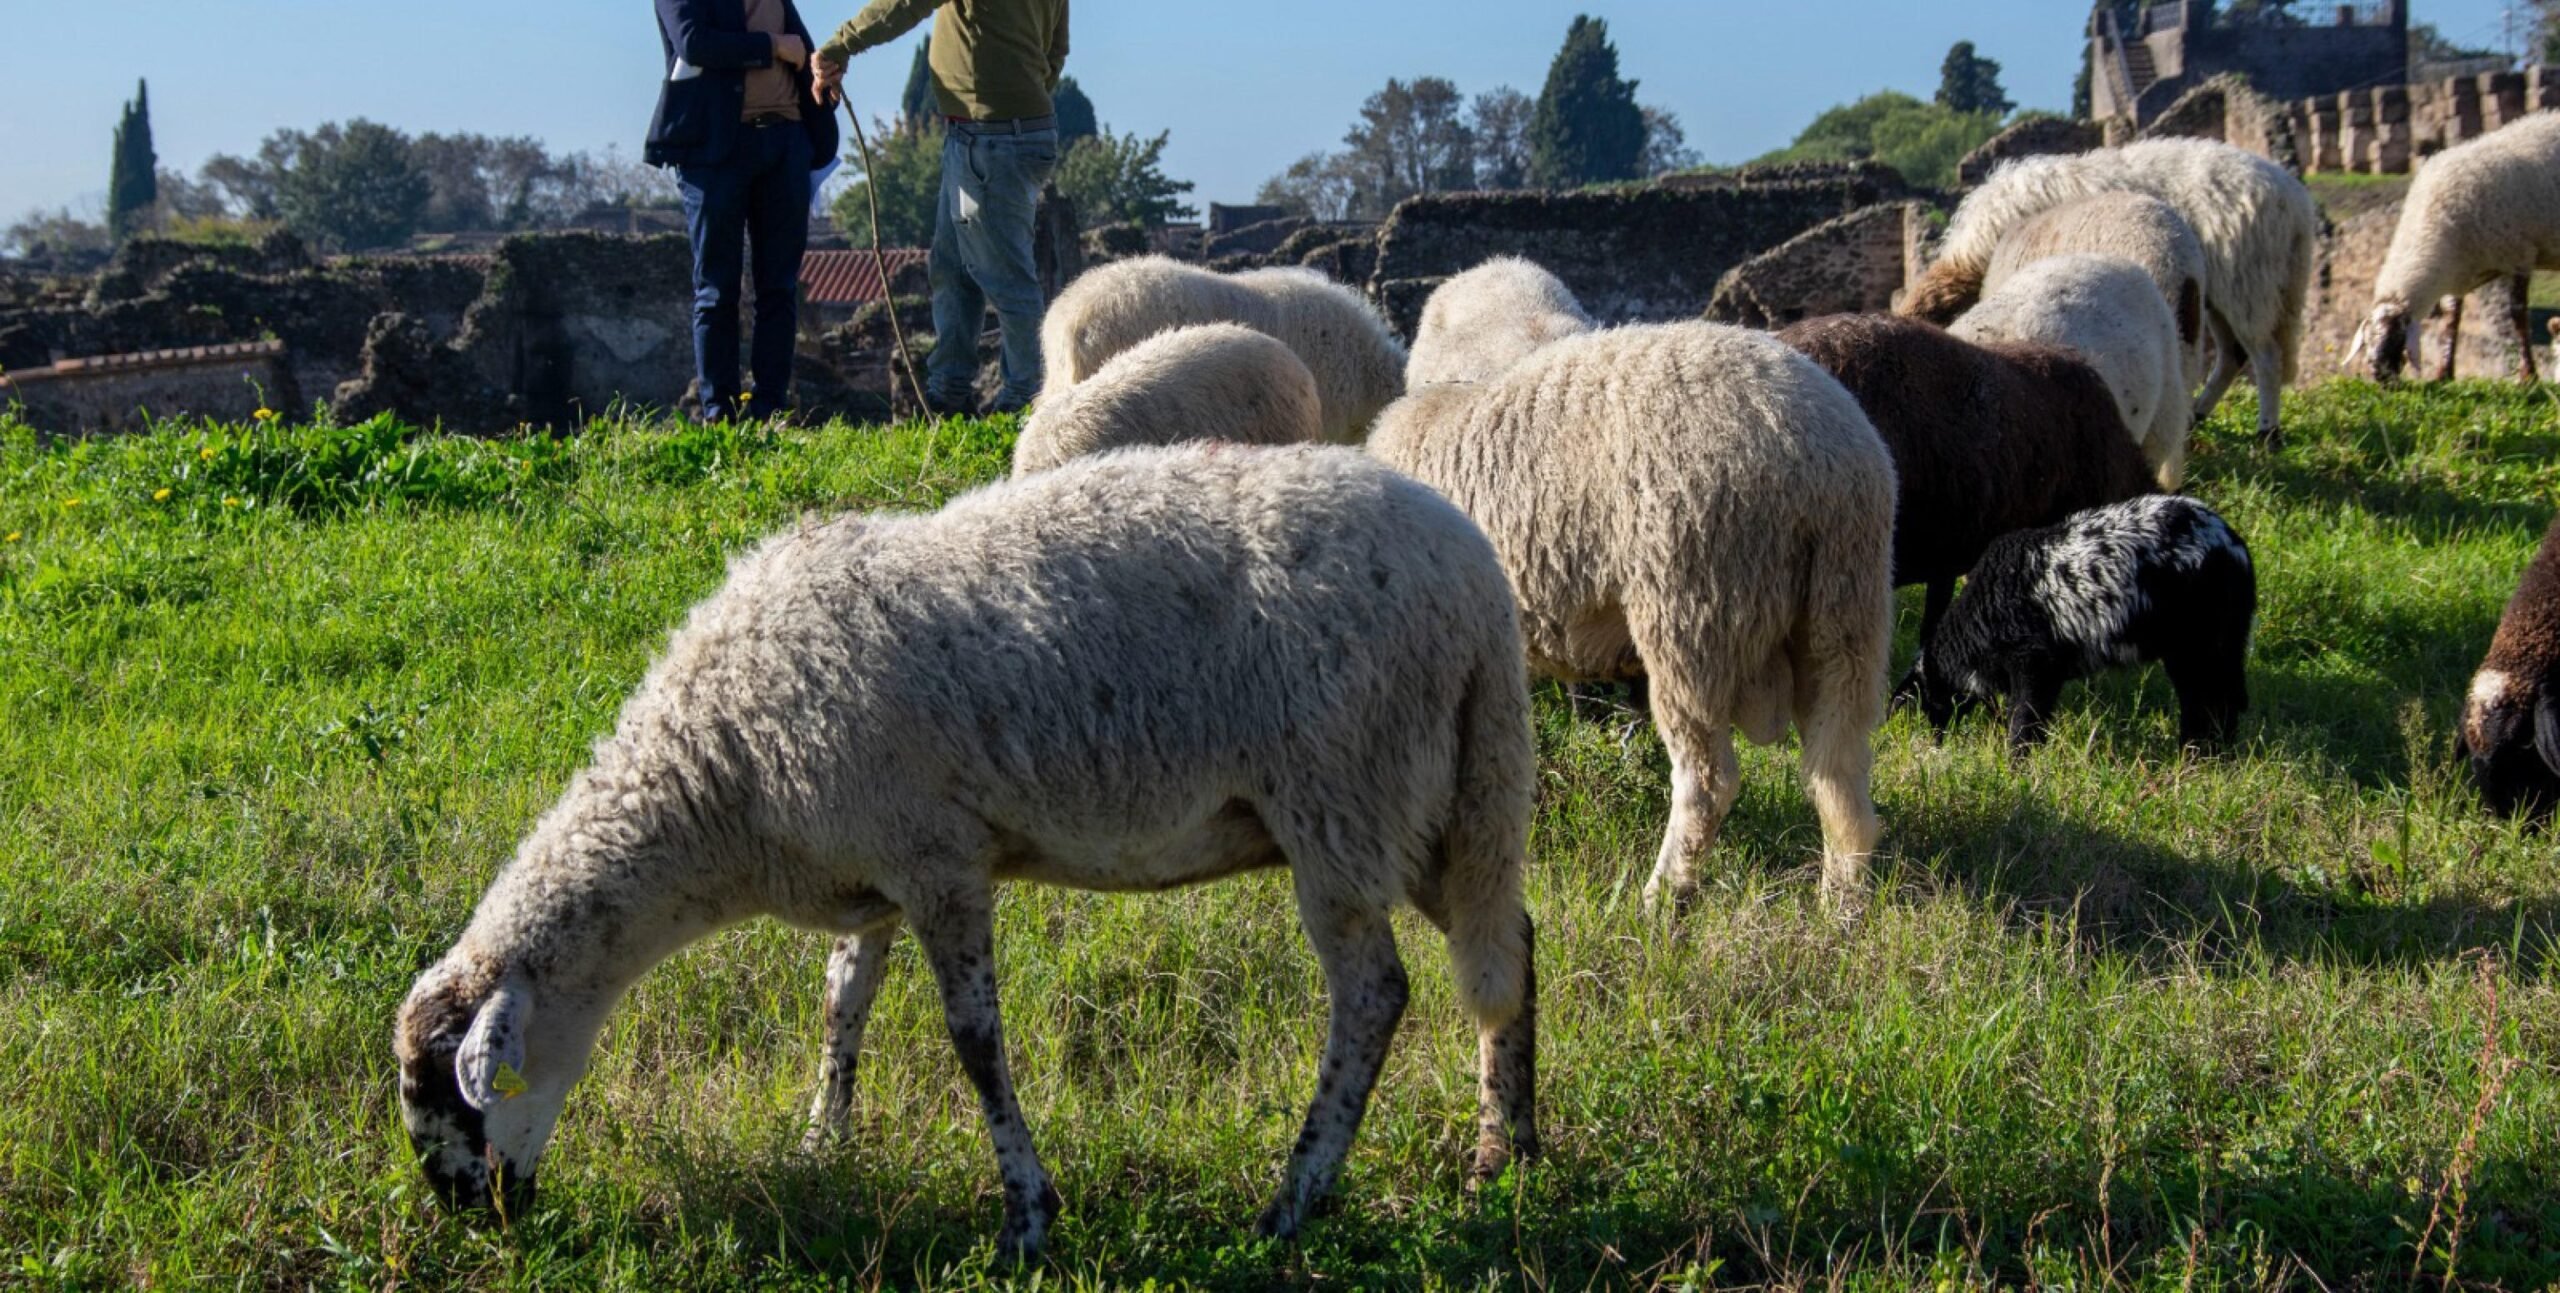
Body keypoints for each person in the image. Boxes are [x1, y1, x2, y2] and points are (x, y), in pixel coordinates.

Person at [816, 0, 1068, 416]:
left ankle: (1028, 402)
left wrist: (840, 45)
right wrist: (1022, 91)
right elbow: (1056, 50)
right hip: (1001, 133)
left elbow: (904, 5)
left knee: (1006, 277)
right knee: (952, 267)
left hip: (988, 139)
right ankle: (949, 391)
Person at [648, 0, 841, 422]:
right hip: (715, 151)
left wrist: (823, 70)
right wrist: (772, 46)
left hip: (786, 141)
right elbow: (694, 43)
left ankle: (771, 409)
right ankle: (719, 414)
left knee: (779, 287)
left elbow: (799, 50)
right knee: (717, 289)